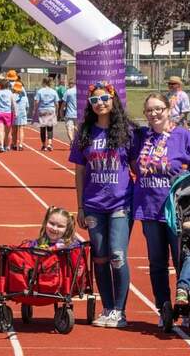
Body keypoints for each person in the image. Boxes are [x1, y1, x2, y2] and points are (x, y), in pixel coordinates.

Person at [130, 92, 190, 326]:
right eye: (149, 110)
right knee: (157, 262)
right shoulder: (141, 136)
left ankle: (187, 307)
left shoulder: (183, 135)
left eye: (158, 109)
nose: (154, 114)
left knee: (182, 260)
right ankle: (163, 308)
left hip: (177, 211)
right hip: (149, 209)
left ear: (168, 109)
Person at [70, 81, 136, 329]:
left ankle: (120, 311)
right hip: (93, 204)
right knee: (100, 258)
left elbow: (137, 168)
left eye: (104, 99)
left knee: (118, 256)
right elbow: (78, 172)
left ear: (113, 100)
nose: (100, 104)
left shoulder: (127, 132)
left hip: (120, 204)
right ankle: (107, 307)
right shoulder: (84, 133)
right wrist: (80, 206)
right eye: (94, 100)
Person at [33, 77, 60, 151]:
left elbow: (36, 101)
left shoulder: (40, 91)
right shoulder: (53, 91)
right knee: (50, 127)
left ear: (43, 83)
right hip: (51, 109)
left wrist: (35, 109)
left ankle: (44, 145)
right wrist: (57, 111)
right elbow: (57, 103)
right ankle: (49, 143)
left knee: (42, 128)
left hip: (42, 110)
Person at [0, 78, 15, 152]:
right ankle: (7, 146)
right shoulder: (10, 92)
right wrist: (15, 112)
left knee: (0, 130)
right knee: (7, 132)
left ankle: (1, 145)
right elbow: (13, 103)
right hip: (8, 113)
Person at [11, 81, 28, 151]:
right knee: (21, 129)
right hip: (22, 113)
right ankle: (21, 145)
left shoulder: (12, 96)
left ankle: (14, 144)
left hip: (14, 114)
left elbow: (10, 105)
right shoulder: (25, 97)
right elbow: (27, 107)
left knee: (14, 130)